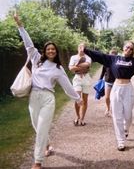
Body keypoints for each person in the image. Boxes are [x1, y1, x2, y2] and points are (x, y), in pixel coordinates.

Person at [13, 13, 83, 169]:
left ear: (56, 52)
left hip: (48, 99)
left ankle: (37, 162)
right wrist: (20, 26)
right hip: (33, 97)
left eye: (53, 49)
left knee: (42, 128)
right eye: (48, 49)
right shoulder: (36, 59)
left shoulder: (58, 69)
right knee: (37, 126)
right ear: (44, 51)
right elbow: (28, 44)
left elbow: (67, 86)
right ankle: (48, 144)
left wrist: (77, 98)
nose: (51, 51)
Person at [69, 43, 92, 126]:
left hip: (86, 78)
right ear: (77, 48)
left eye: (83, 47)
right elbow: (71, 68)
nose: (82, 49)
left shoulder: (88, 57)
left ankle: (82, 119)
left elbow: (87, 65)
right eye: (80, 47)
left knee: (85, 99)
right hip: (77, 78)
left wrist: (76, 66)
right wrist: (81, 67)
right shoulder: (73, 57)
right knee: (77, 98)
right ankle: (77, 116)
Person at [99, 48, 118, 117]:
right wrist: (100, 79)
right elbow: (103, 71)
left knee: (115, 98)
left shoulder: (118, 63)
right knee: (107, 97)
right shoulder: (106, 63)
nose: (112, 57)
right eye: (111, 55)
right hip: (107, 82)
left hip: (116, 83)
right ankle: (108, 108)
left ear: (116, 56)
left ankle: (114, 110)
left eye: (113, 56)